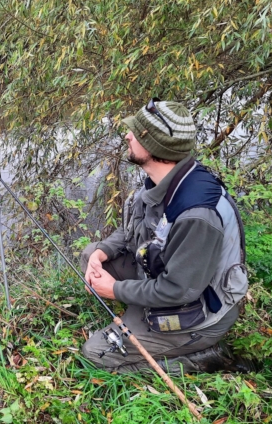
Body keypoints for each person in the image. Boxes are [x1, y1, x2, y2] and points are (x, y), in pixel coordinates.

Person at [80, 98, 251, 373]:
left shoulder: (197, 215)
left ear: (153, 147)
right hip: (166, 280)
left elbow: (178, 290)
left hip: (200, 310)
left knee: (97, 354)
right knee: (90, 255)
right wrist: (102, 252)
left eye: (134, 132)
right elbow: (130, 230)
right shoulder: (165, 178)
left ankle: (206, 356)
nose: (127, 135)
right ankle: (138, 316)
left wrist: (114, 290)